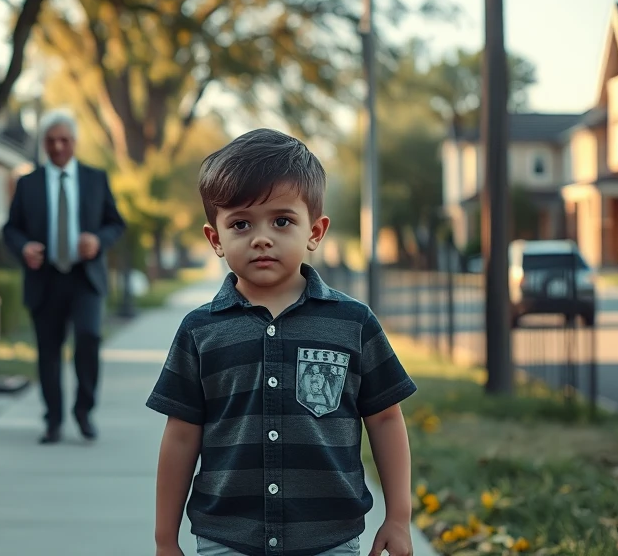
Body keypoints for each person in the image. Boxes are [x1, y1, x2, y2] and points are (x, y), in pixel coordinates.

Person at [146, 128, 417, 556]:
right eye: (240, 224)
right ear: (215, 239)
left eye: (282, 220)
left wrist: (398, 517)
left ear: (315, 230)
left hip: (328, 537)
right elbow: (180, 436)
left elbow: (385, 419)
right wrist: (165, 539)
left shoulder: (352, 323)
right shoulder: (200, 331)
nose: (261, 237)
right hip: (227, 537)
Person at [2, 109, 126, 445]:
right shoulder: (27, 184)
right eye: (51, 141)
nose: (58, 147)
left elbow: (116, 223)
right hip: (45, 279)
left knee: (88, 339)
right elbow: (10, 229)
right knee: (49, 351)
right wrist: (24, 246)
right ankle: (53, 420)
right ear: (44, 143)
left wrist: (98, 240)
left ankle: (84, 411)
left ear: (74, 142)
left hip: (85, 279)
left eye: (64, 140)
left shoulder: (95, 179)